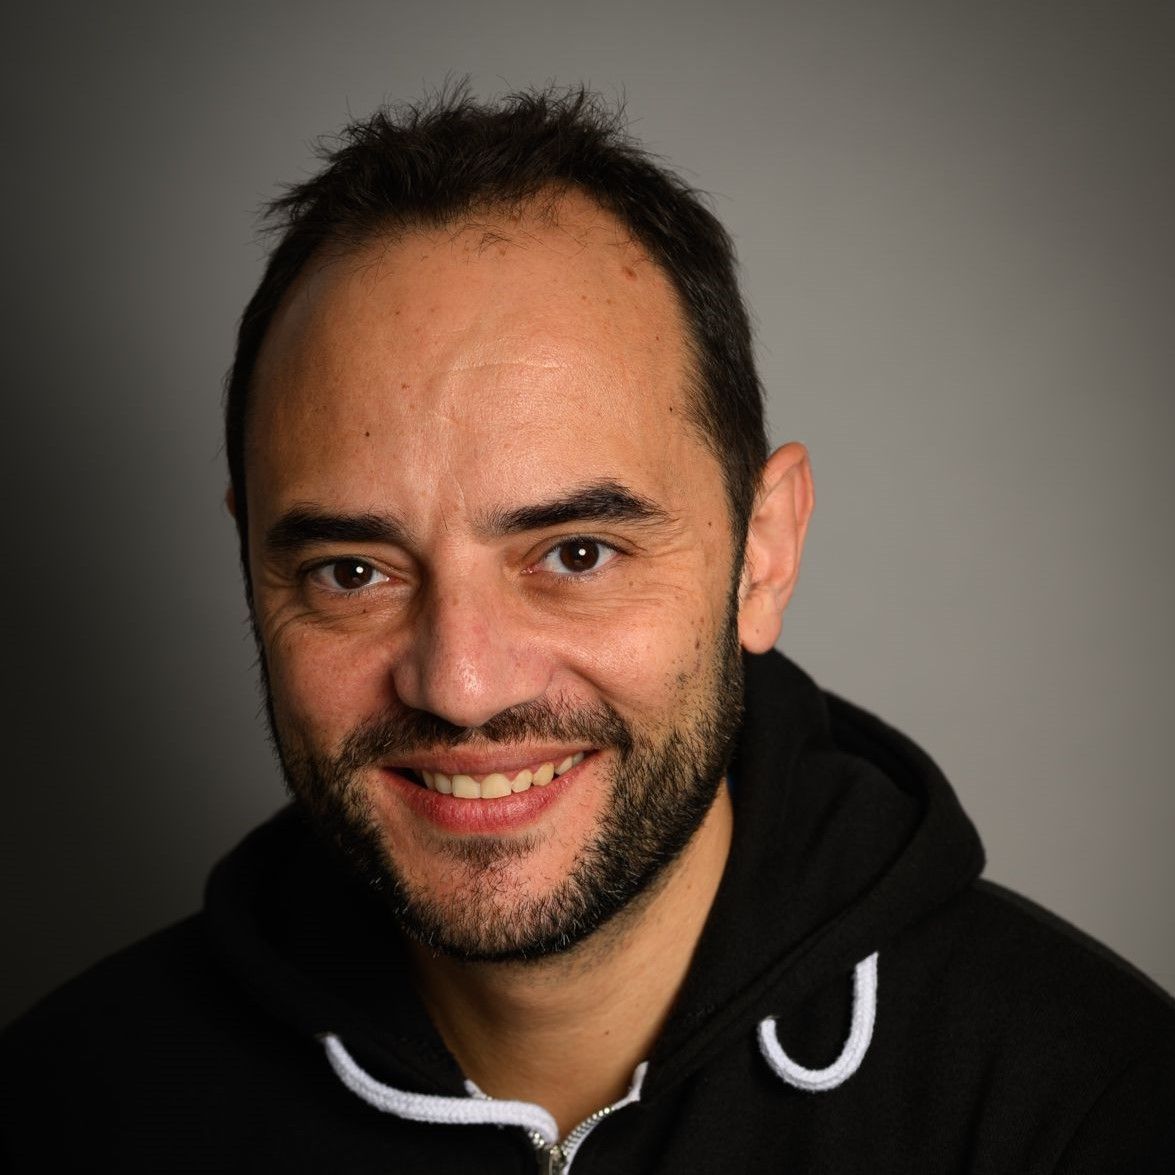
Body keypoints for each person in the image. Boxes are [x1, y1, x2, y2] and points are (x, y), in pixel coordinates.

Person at [2, 86, 1173, 1174]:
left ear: (761, 552)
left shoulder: (1089, 1110)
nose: (460, 683)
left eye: (574, 553)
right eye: (353, 570)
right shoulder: (67, 1109)